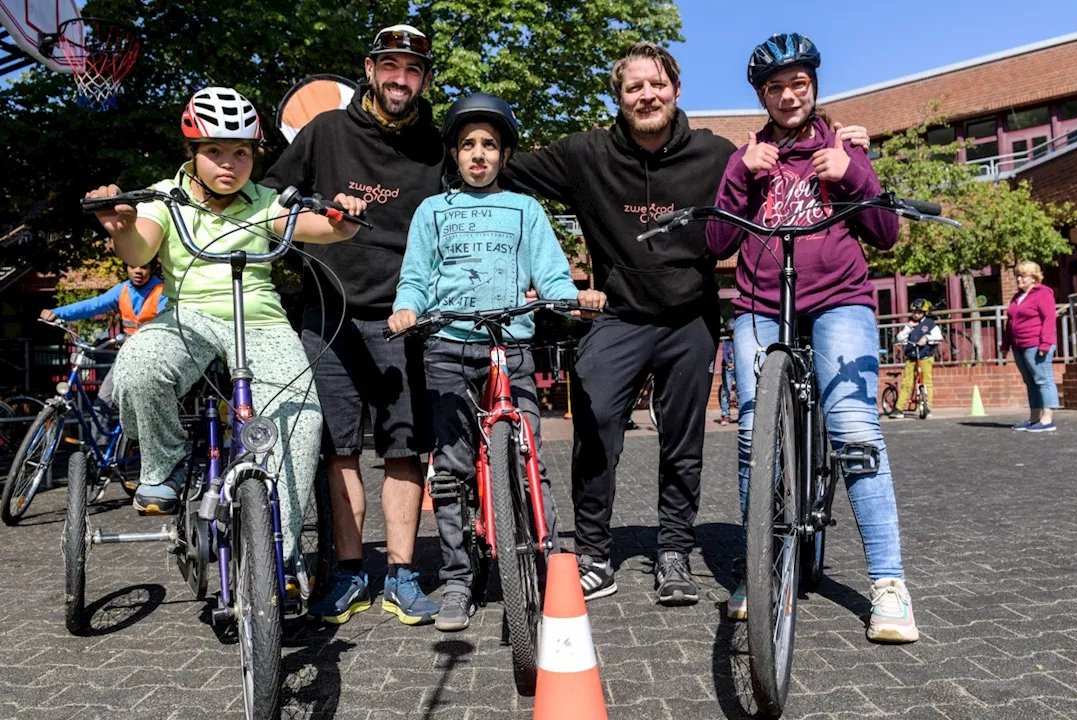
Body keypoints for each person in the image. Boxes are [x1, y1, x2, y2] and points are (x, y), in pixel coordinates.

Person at [499, 41, 874, 605]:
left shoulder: (715, 153)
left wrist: (847, 148)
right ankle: (596, 554)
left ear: (676, 89)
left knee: (682, 438)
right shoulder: (584, 154)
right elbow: (502, 165)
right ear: (619, 97)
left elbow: (782, 176)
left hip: (688, 317)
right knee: (596, 423)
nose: (647, 95)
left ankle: (673, 550)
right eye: (634, 87)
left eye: (657, 84)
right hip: (619, 315)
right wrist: (455, 134)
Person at [83, 87, 366, 591]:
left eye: (241, 152)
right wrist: (121, 227)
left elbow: (318, 227)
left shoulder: (265, 202)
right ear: (191, 152)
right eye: (214, 150)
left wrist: (343, 217)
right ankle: (163, 465)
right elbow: (140, 244)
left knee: (302, 421)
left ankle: (277, 549)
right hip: (189, 317)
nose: (229, 163)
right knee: (137, 367)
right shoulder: (163, 198)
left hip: (261, 322)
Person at [705, 33, 918, 643]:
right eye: (775, 87)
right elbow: (717, 245)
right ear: (762, 97)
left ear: (813, 86)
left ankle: (889, 583)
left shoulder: (844, 145)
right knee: (752, 432)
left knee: (853, 427)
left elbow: (886, 233)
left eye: (798, 83)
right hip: (758, 303)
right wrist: (742, 180)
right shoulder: (747, 156)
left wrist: (853, 176)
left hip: (838, 299)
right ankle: (759, 566)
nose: (788, 95)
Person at [388, 94, 607, 631]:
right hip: (448, 347)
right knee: (452, 469)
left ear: (505, 155)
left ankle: (550, 564)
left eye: (489, 145)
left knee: (530, 456)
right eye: (468, 146)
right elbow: (417, 274)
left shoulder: (525, 208)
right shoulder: (433, 211)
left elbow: (550, 269)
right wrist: (406, 307)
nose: (478, 155)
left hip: (511, 347)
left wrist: (571, 296)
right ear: (455, 155)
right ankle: (459, 579)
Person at [261, 25, 444, 625]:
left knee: (403, 451)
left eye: (412, 69)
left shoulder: (436, 146)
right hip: (328, 313)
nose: (400, 78)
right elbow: (267, 201)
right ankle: (346, 574)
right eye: (390, 66)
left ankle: (402, 574)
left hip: (404, 316)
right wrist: (310, 210)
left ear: (424, 78)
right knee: (337, 451)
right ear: (369, 70)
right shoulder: (327, 132)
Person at [39, 260, 168, 416]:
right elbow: (94, 305)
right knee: (102, 404)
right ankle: (102, 441)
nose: (137, 271)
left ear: (153, 269)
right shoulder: (123, 290)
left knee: (145, 402)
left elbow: (164, 326)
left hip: (153, 357)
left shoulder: (163, 292)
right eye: (133, 266)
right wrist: (57, 313)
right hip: (127, 355)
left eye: (144, 267)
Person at [1002, 261, 1059, 432]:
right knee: (1030, 382)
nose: (1018, 279)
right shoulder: (1017, 297)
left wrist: (1045, 344)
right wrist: (1005, 345)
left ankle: (1047, 419)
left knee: (1043, 380)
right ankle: (1034, 418)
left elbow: (1049, 319)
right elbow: (1010, 322)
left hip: (1036, 344)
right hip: (1019, 346)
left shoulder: (1043, 294)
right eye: (1017, 276)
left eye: (1022, 276)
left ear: (1033, 277)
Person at [887, 298, 942, 419]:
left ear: (924, 313)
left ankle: (927, 407)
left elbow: (938, 337)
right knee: (907, 382)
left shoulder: (930, 324)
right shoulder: (910, 325)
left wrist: (926, 339)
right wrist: (908, 329)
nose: (916, 315)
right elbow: (900, 337)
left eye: (919, 312)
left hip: (925, 356)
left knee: (926, 381)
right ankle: (899, 408)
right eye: (914, 312)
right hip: (911, 357)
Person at [716, 317, 736, 425]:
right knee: (726, 391)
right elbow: (724, 355)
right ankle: (725, 415)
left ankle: (743, 414)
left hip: (737, 368)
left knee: (741, 391)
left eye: (734, 332)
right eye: (731, 332)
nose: (732, 335)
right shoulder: (727, 343)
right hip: (728, 369)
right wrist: (729, 363)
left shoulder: (740, 343)